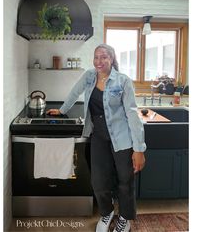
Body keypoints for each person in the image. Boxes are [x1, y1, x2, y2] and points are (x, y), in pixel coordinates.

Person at [47, 43, 146, 232]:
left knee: (125, 180)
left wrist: (139, 148)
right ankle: (107, 212)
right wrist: (61, 110)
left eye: (104, 57)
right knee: (98, 180)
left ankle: (124, 218)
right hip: (98, 135)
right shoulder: (89, 76)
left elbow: (133, 114)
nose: (99, 61)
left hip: (122, 137)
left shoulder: (122, 81)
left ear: (112, 59)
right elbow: (74, 93)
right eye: (96, 57)